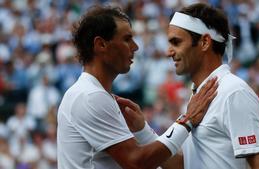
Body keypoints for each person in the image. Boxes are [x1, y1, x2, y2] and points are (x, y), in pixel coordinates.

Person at [56, 5, 218, 169]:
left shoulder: (93, 94)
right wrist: (186, 120)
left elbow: (174, 164)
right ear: (101, 45)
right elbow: (136, 163)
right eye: (127, 39)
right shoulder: (90, 96)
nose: (135, 46)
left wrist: (143, 130)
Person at [117, 3, 259, 169]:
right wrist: (143, 130)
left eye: (176, 42)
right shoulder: (199, 95)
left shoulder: (233, 92)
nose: (168, 52)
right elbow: (185, 165)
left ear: (205, 42)